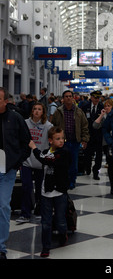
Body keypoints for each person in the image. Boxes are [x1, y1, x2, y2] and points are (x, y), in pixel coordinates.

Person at [29, 127, 71, 257]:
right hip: (45, 192)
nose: (61, 141)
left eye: (62, 138)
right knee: (46, 222)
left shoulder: (64, 152)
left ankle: (63, 234)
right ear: (50, 140)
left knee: (60, 220)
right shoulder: (47, 152)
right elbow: (44, 158)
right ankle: (45, 247)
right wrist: (38, 151)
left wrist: (34, 148)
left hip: (60, 192)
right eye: (57, 139)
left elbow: (48, 159)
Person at [0, 87, 31, 259]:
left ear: (6, 101)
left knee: (3, 206)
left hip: (7, 169)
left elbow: (26, 142)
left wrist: (17, 162)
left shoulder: (15, 118)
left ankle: (1, 246)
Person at [16, 103, 52, 224]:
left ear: (43, 112)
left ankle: (40, 210)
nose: (37, 111)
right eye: (35, 109)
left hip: (40, 162)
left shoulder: (48, 126)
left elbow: (51, 142)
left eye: (39, 109)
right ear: (32, 111)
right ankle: (25, 213)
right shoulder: (25, 123)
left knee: (40, 188)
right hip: (26, 161)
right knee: (26, 187)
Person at [52, 90, 89, 189]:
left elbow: (84, 126)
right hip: (62, 143)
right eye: (66, 96)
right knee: (62, 164)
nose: (68, 98)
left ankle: (72, 182)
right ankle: (63, 181)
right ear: (63, 99)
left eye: (70, 96)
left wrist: (84, 139)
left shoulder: (79, 112)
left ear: (73, 98)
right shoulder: (58, 112)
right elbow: (53, 126)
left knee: (73, 164)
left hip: (74, 141)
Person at [93, 98, 113, 194]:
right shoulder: (104, 117)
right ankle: (112, 186)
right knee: (111, 165)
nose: (107, 108)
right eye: (105, 106)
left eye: (109, 106)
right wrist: (102, 114)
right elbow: (95, 125)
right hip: (107, 144)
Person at [83, 91, 104, 180]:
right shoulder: (85, 107)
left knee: (99, 156)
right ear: (91, 97)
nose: (96, 99)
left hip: (99, 136)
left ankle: (96, 171)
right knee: (87, 154)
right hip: (88, 135)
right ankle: (87, 167)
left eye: (98, 98)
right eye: (95, 97)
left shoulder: (102, 107)